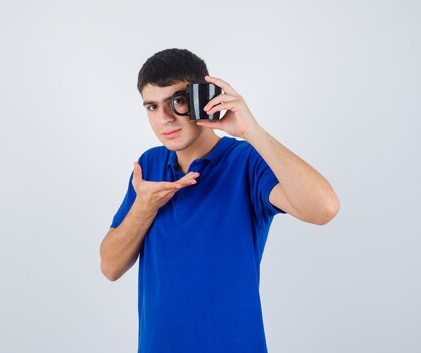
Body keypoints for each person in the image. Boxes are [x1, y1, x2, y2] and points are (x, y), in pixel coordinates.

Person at [99, 48, 339, 353]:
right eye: (151, 106)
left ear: (204, 98)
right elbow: (110, 266)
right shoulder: (148, 166)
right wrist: (144, 207)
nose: (165, 119)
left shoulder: (246, 162)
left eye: (178, 101)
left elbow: (324, 208)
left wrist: (251, 131)